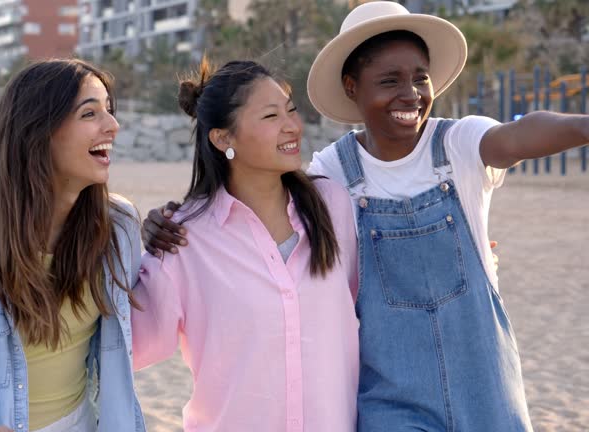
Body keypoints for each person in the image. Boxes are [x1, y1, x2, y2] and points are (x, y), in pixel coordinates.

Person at [143, 2, 589, 430]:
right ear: (353, 86)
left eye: (420, 78)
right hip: (389, 396)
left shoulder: (456, 145)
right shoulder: (334, 175)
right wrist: (162, 224)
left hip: (486, 377)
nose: (410, 93)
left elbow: (519, 135)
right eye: (390, 80)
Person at [0, 59, 146, 432]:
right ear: (38, 131)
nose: (113, 126)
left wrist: (182, 232)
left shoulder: (120, 227)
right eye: (90, 113)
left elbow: (149, 327)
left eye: (109, 110)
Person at [131, 59, 360, 431]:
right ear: (223, 139)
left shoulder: (333, 205)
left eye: (291, 111)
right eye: (271, 117)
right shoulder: (184, 238)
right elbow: (133, 344)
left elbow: (370, 306)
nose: (292, 127)